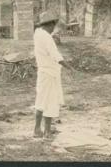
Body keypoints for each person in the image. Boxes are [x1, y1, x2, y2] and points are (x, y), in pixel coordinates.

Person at [33, 11, 75, 139]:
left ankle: (37, 129)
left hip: (43, 72)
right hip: (49, 73)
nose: (53, 29)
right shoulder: (46, 37)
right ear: (50, 24)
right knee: (50, 102)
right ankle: (47, 131)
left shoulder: (37, 33)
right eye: (53, 26)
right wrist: (70, 67)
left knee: (40, 101)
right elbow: (56, 55)